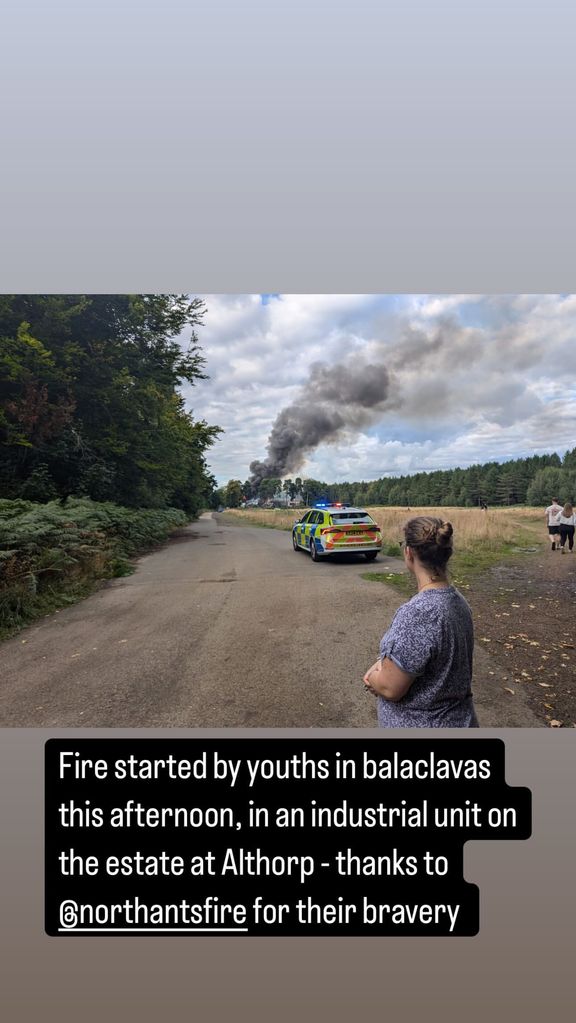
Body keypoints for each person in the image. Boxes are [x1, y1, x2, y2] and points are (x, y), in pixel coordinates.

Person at [363, 515, 478, 727]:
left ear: (409, 552)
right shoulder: (458, 601)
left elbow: (390, 688)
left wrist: (373, 679)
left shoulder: (418, 613)